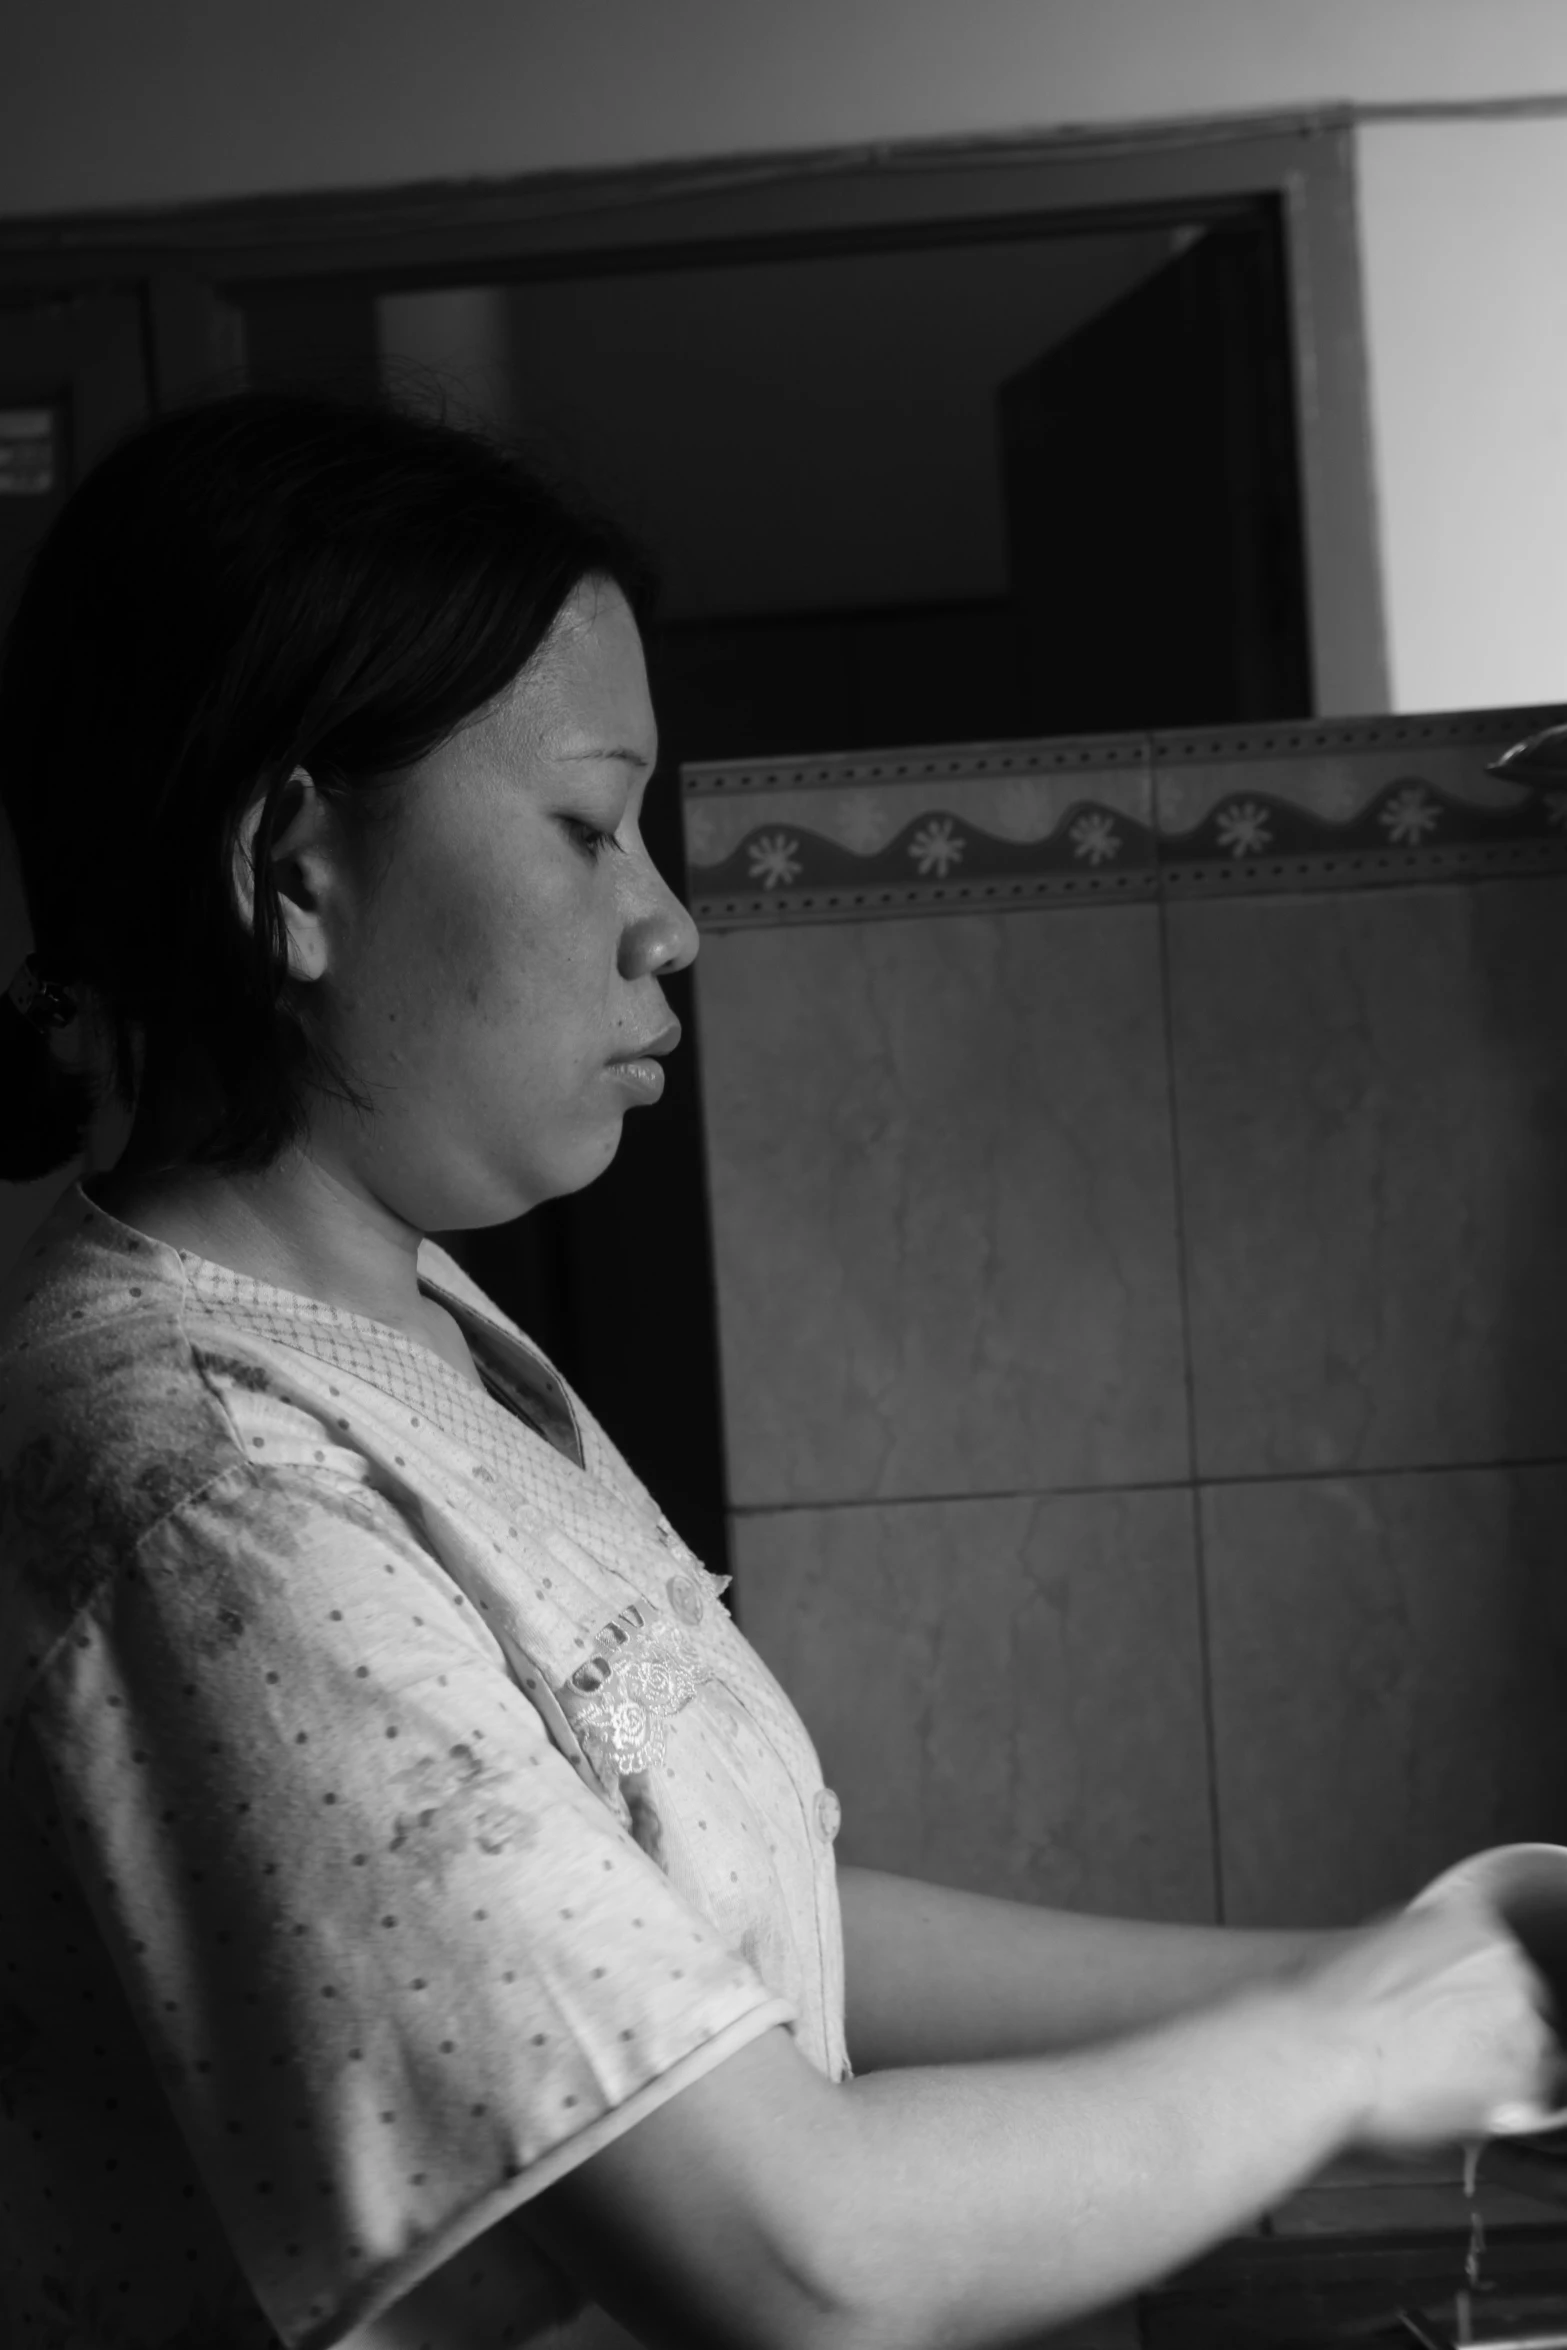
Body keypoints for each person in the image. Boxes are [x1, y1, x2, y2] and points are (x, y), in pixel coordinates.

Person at [0, 389, 1553, 2350]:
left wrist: (1394, 1958)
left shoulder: (413, 1325)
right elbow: (795, 2254)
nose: (671, 920)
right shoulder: (197, 1474)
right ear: (294, 870)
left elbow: (743, 1947)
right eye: (585, 824)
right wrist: (1361, 2042)